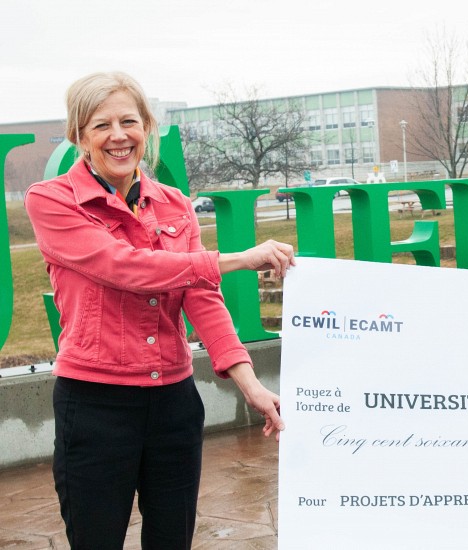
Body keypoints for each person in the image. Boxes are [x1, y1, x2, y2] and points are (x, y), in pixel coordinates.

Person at [24, 72, 296, 548]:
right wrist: (237, 259)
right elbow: (124, 267)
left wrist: (252, 387)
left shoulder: (173, 204)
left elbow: (202, 299)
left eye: (129, 121)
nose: (118, 135)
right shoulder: (50, 201)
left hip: (173, 403)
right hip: (94, 404)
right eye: (100, 124)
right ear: (79, 135)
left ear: (146, 127)